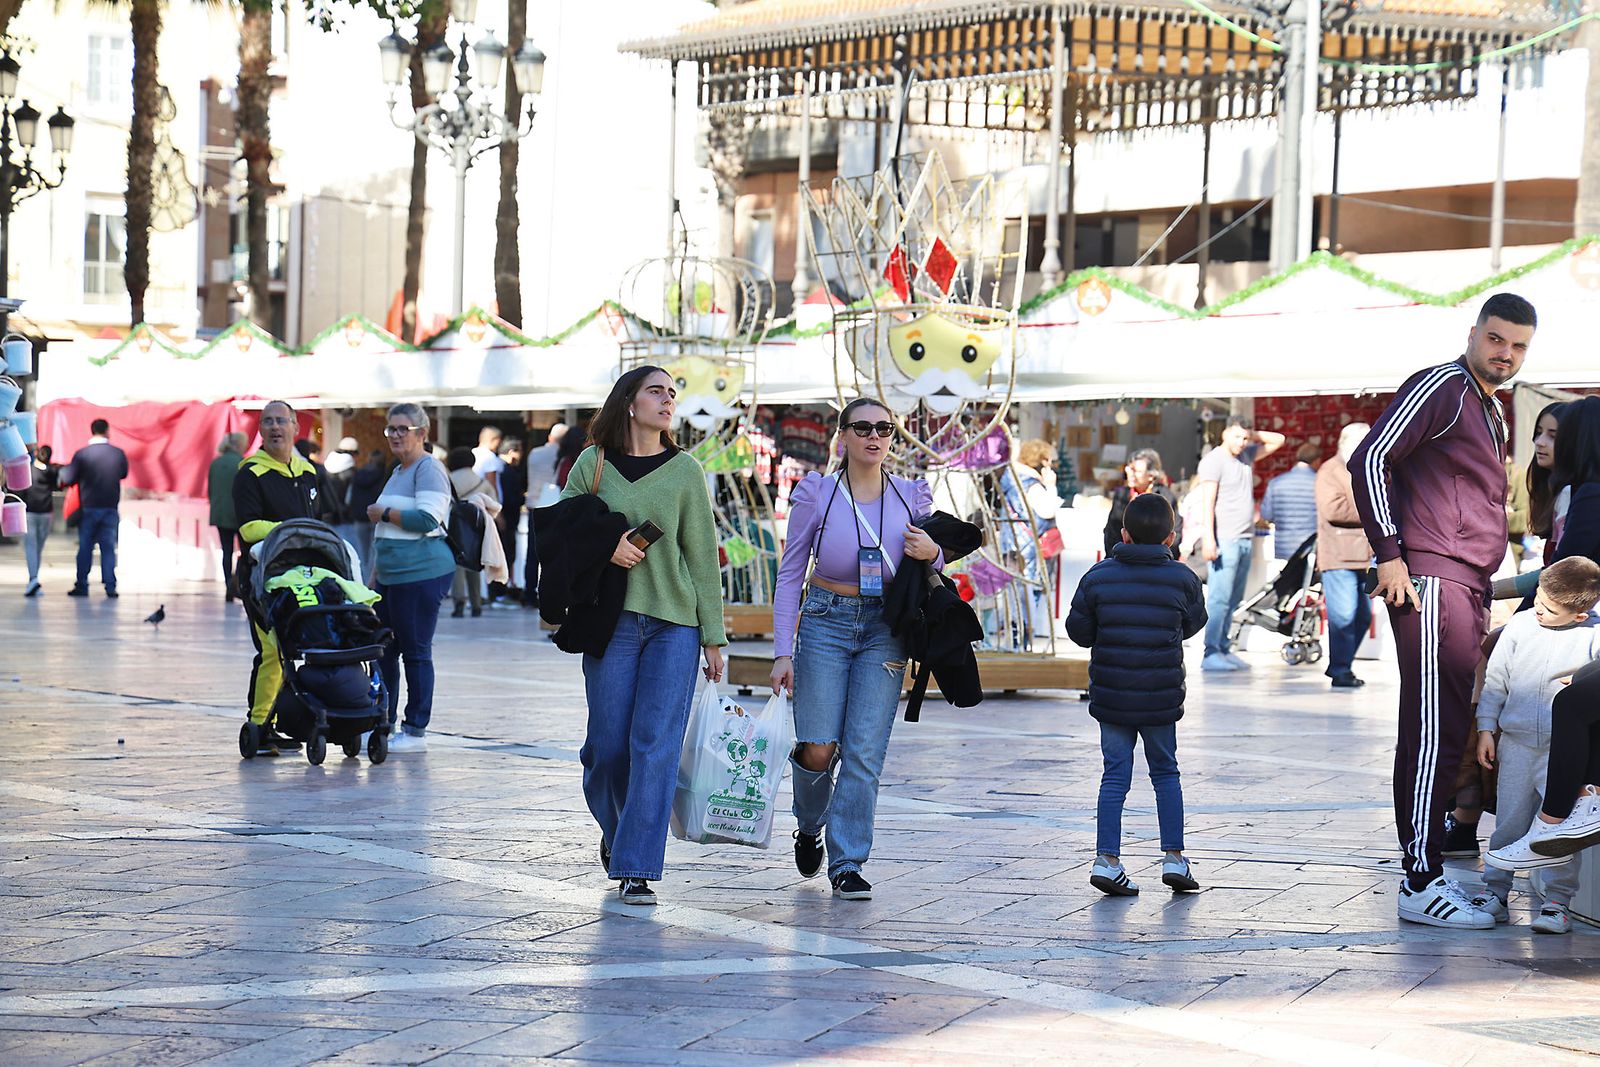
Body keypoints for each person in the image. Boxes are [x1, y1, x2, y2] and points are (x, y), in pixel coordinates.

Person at [1348, 291, 1536, 930]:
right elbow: (1370, 456)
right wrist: (1389, 554)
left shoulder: (1490, 407)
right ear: (1475, 332)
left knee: (1447, 725)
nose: (1505, 354)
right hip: (1429, 577)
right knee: (1434, 729)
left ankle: (1425, 873)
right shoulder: (1443, 386)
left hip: (1464, 583)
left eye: (1518, 346)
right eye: (1497, 339)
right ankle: (1419, 879)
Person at [562, 367, 727, 906]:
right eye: (656, 390)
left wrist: (714, 636)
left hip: (674, 624)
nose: (668, 400)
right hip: (609, 622)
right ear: (629, 402)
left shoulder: (685, 470)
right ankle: (618, 832)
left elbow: (701, 554)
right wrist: (605, 547)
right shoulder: (594, 464)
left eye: (671, 393)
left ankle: (636, 866)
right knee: (607, 749)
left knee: (654, 745)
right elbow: (563, 532)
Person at [770, 397, 942, 902]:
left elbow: (934, 569)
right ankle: (809, 825)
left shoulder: (911, 495)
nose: (874, 436)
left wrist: (936, 553)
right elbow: (789, 572)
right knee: (818, 745)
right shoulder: (817, 494)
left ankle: (847, 861)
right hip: (825, 620)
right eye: (862, 427)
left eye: (884, 428)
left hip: (885, 627)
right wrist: (783, 650)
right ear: (841, 436)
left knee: (865, 751)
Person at [1067, 492, 1206, 896]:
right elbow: (1195, 623)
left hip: (1112, 697)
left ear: (1123, 534)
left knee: (1114, 776)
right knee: (1166, 773)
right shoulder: (1182, 577)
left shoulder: (1098, 576)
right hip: (1160, 697)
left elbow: (1079, 632)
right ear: (1171, 538)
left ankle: (1107, 860)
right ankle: (1174, 858)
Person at [1467, 557, 1600, 935]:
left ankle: (1557, 903)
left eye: (1550, 607)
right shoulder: (1520, 626)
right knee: (1508, 822)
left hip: (1564, 755)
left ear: (1578, 615)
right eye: (1538, 597)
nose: (1539, 607)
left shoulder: (1593, 634)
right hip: (1517, 745)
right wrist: (1486, 729)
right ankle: (1495, 893)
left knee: (1557, 831)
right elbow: (1496, 682)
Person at [369, 403, 457, 753]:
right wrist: (374, 576)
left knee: (415, 652)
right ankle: (383, 722)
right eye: (391, 429)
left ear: (423, 433)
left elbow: (426, 520)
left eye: (403, 428)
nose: (395, 435)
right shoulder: (398, 470)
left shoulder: (428, 469)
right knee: (385, 651)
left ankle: (416, 728)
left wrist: (384, 513)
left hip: (421, 574)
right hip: (390, 577)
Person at [234, 400, 320, 754]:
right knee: (272, 650)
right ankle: (257, 725)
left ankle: (287, 719)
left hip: (305, 576)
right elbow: (248, 527)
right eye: (266, 421)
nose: (274, 427)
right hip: (261, 576)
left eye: (280, 420)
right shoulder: (250, 473)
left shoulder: (309, 472)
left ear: (295, 426)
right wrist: (289, 529)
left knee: (303, 646)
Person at [1193, 416, 1286, 670]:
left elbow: (1279, 440)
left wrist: (1252, 434)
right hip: (1225, 538)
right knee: (1219, 598)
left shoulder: (1245, 454)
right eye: (1237, 436)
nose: (1242, 442)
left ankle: (1223, 647)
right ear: (1224, 434)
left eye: (1245, 438)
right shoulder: (1214, 461)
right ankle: (1211, 651)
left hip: (1245, 537)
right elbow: (1207, 503)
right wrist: (1208, 538)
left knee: (1234, 599)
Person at [1315, 423, 1373, 689]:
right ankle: (1340, 669)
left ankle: (1343, 666)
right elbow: (1333, 509)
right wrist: (1373, 514)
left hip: (1364, 555)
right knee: (1344, 616)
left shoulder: (1363, 468)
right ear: (1346, 442)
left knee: (1362, 615)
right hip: (1338, 555)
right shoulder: (1331, 470)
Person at [58, 418, 129, 599]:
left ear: (92, 431)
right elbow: (123, 473)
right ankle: (110, 586)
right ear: (107, 431)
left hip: (88, 508)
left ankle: (82, 585)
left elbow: (69, 476)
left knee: (85, 548)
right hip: (110, 508)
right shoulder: (118, 453)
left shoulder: (82, 454)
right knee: (108, 549)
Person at [1103, 448, 1181, 560]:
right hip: (1123, 560)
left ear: (1151, 475)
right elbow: (1112, 532)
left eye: (1137, 471)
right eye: (1130, 469)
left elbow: (1175, 532)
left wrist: (1166, 560)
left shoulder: (1166, 497)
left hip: (1157, 562)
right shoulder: (1122, 495)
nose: (1130, 474)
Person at [522, 423, 568, 608]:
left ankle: (528, 592)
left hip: (534, 504)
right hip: (553, 504)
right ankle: (547, 594)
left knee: (531, 554)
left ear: (550, 437)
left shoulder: (534, 453)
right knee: (552, 555)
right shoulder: (563, 457)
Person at [446, 446, 491, 619]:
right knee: (474, 563)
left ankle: (459, 602)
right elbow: (494, 502)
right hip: (476, 525)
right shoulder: (481, 481)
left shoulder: (448, 479)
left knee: (458, 564)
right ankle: (476, 603)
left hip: (455, 525)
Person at [1259, 442, 1320, 560]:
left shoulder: (1276, 482)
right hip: (1311, 546)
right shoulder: (1320, 483)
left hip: (1283, 547)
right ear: (1317, 461)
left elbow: (1267, 515)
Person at [207, 432, 247, 601]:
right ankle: (236, 582)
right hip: (239, 513)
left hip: (220, 513)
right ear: (239, 445)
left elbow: (210, 490)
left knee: (226, 551)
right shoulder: (242, 463)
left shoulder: (216, 463)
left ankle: (228, 584)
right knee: (243, 552)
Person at [347, 448, 388, 582]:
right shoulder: (385, 476)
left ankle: (362, 581)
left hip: (359, 518)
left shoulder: (357, 475)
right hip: (377, 518)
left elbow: (349, 498)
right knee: (374, 555)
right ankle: (371, 582)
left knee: (362, 555)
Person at [492, 437, 525, 605]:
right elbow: (511, 498)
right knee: (506, 555)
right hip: (507, 519)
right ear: (512, 451)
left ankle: (499, 592)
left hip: (501, 518)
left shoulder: (500, 469)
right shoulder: (507, 472)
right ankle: (500, 592)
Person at [21, 443, 57, 597]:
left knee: (31, 547)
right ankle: (34, 578)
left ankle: (33, 578)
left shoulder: (28, 470)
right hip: (46, 513)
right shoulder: (52, 472)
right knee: (38, 548)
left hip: (29, 513)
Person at [325, 435, 363, 561]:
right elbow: (351, 495)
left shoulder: (328, 463)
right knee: (353, 557)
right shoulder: (350, 469)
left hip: (328, 517)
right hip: (346, 518)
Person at [472, 425, 505, 502]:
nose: (499, 445)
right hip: (487, 501)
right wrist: (496, 503)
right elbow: (491, 482)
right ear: (494, 440)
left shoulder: (472, 453)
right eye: (499, 442)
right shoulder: (489, 456)